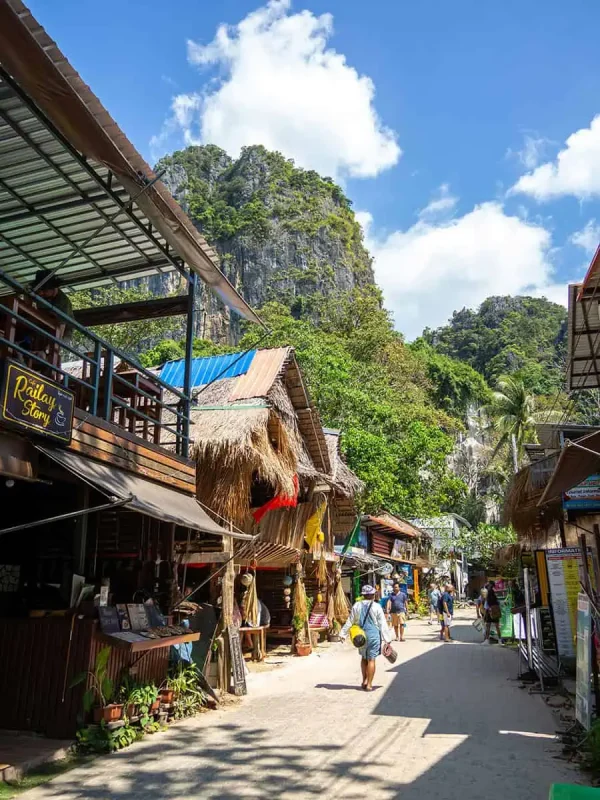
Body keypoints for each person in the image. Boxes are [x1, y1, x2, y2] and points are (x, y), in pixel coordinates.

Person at [340, 584, 393, 691]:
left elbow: (350, 620)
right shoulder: (376, 606)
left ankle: (364, 680)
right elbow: (382, 623)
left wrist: (343, 634)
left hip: (361, 635)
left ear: (363, 595)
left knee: (364, 658)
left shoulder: (357, 605)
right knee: (371, 659)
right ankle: (369, 684)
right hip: (374, 635)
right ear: (373, 595)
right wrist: (387, 639)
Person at [482, 580, 503, 645]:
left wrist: (484, 615)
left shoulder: (488, 593)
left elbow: (486, 605)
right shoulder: (494, 593)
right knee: (497, 626)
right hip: (495, 610)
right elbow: (498, 602)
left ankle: (487, 640)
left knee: (488, 626)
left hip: (489, 611)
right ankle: (500, 640)